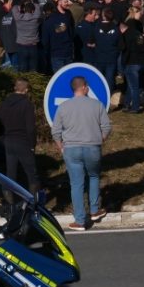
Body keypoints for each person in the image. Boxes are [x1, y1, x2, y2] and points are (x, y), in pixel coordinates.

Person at [51, 76, 112, 230]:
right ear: (84, 87)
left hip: (71, 149)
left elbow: (56, 131)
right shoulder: (97, 105)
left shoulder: (63, 107)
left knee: (76, 184)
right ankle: (94, 209)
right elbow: (106, 127)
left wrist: (61, 147)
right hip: (92, 147)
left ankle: (79, 220)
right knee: (93, 176)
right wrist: (100, 139)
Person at [0, 79, 41, 197]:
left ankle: (10, 204)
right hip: (23, 141)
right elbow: (30, 128)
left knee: (10, 174)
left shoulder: (5, 103)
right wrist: (32, 144)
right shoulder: (27, 104)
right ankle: (34, 204)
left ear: (14, 88)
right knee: (32, 174)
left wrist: (3, 139)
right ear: (26, 90)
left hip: (8, 140)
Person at [119, 9, 144, 112]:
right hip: (140, 62)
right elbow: (143, 47)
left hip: (131, 62)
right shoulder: (138, 33)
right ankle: (126, 104)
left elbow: (123, 48)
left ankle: (135, 107)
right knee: (131, 86)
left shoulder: (126, 35)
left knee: (133, 87)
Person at [41, 0, 76, 74]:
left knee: (69, 77)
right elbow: (46, 38)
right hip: (56, 54)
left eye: (67, 1)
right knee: (60, 77)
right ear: (59, 2)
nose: (67, 3)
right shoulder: (51, 19)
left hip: (68, 53)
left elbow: (72, 31)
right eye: (65, 1)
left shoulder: (69, 15)